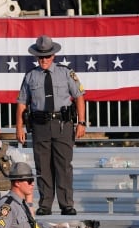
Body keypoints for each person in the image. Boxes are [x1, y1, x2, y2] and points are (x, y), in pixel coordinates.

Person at [16, 34, 87, 216]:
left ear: (53, 56)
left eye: (47, 56)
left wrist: (81, 122)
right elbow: (22, 102)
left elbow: (79, 97)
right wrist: (19, 127)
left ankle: (66, 204)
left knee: (63, 166)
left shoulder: (65, 73)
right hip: (40, 125)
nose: (43, 60)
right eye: (40, 57)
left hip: (62, 124)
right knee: (43, 166)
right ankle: (45, 204)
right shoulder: (31, 76)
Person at [0, 162, 50, 228]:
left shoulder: (22, 204)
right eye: (29, 180)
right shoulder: (7, 206)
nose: (32, 184)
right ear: (17, 183)